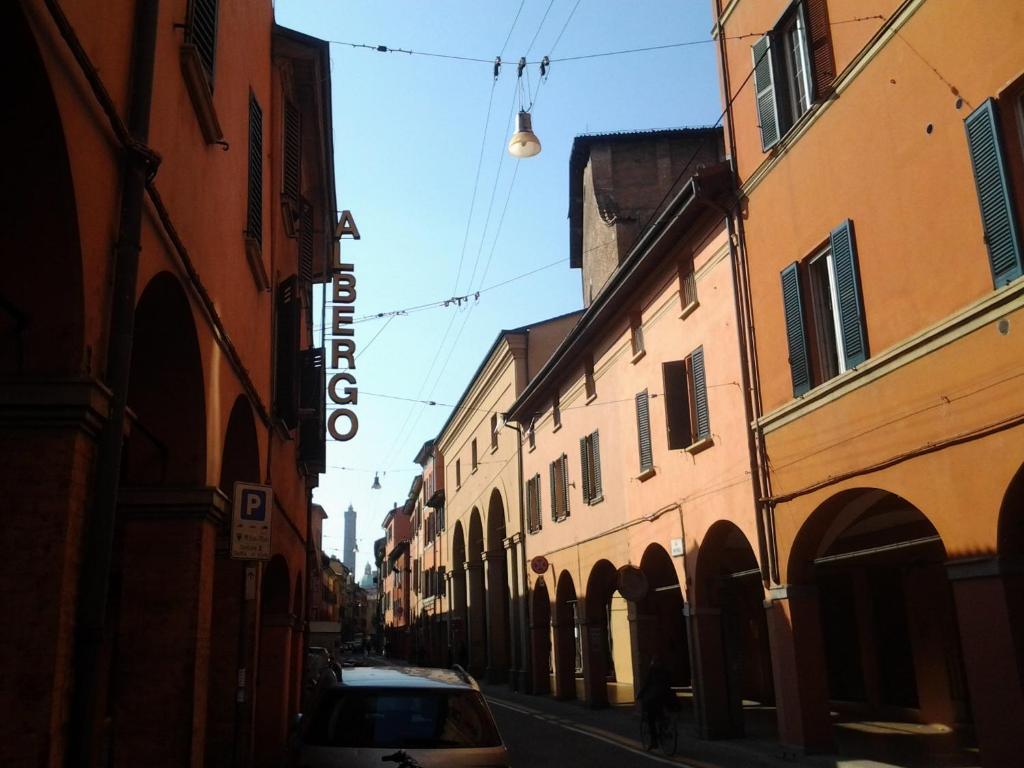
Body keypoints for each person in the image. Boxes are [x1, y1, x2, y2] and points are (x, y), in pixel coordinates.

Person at [636, 656, 673, 750]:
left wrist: (639, 695)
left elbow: (646, 685)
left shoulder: (652, 672)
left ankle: (654, 741)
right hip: (667, 697)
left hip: (655, 699)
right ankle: (665, 726)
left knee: (650, 719)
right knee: (661, 714)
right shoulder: (666, 671)